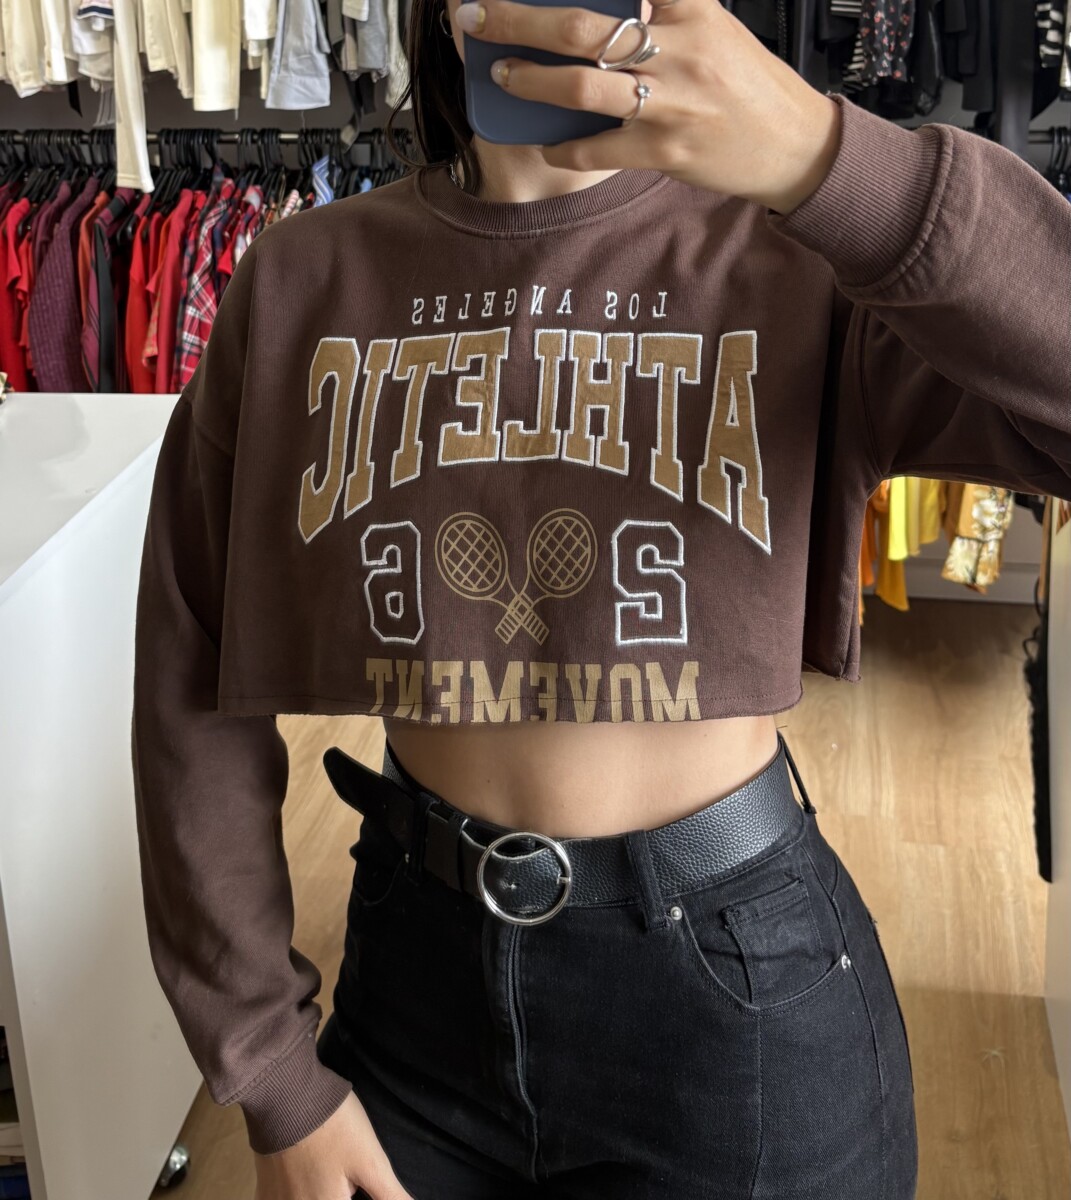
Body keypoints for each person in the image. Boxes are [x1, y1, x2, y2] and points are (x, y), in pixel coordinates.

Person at [129, 0, 1071, 1197]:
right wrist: (270, 1068)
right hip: (411, 996)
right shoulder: (302, 277)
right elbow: (188, 677)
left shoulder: (796, 260)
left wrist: (827, 159)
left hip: (738, 1003)